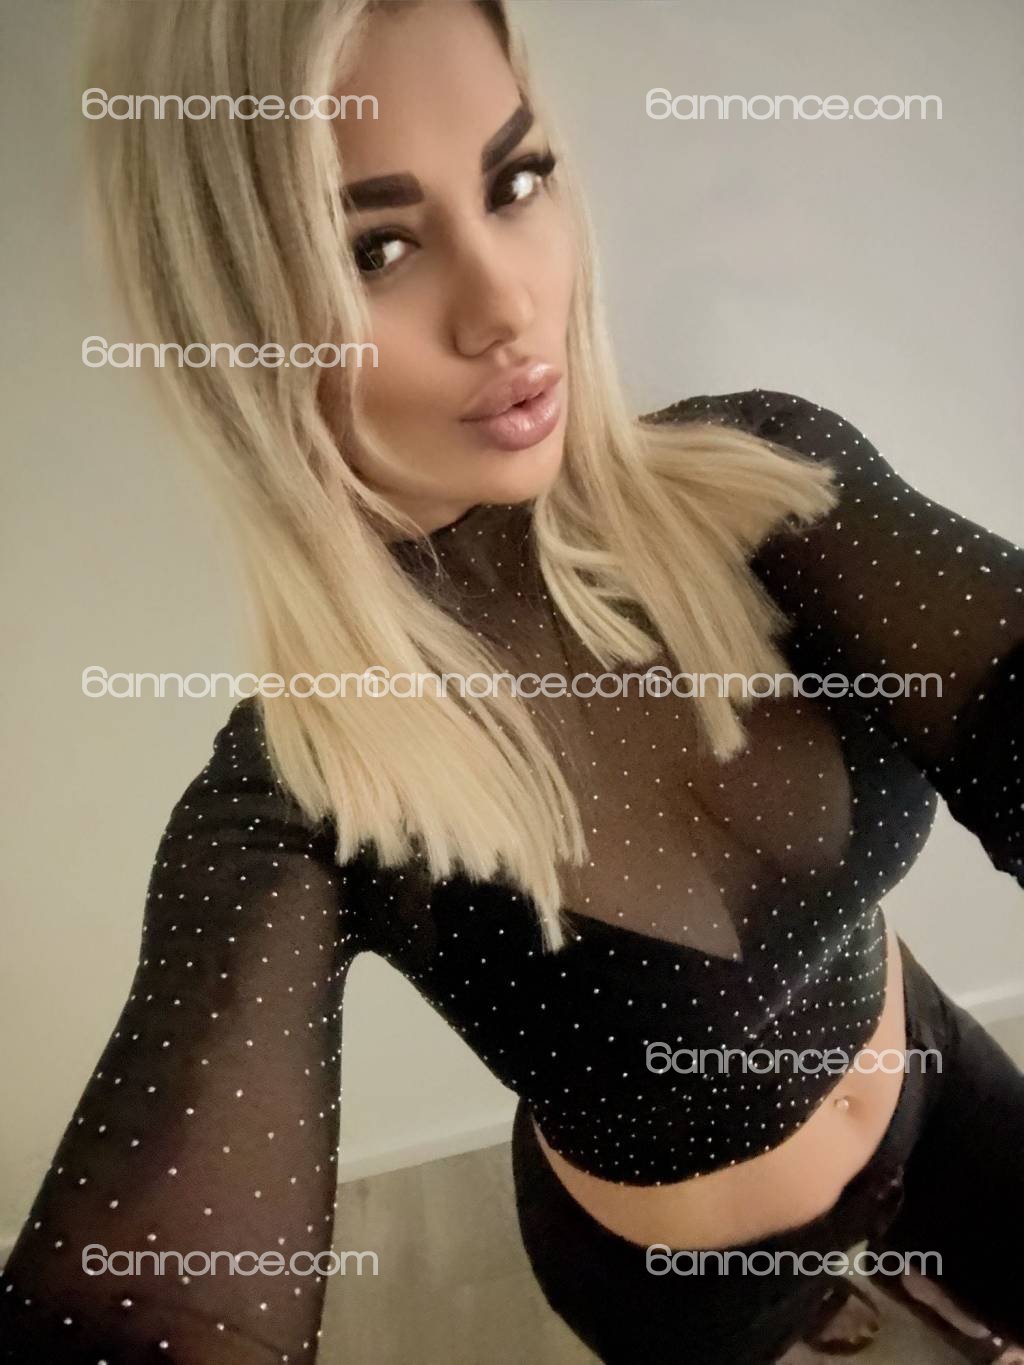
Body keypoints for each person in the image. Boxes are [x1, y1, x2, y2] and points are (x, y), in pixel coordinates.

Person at [2, 1, 1022, 1361]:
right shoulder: (302, 793)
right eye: (374, 248)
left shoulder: (771, 486)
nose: (506, 305)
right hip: (690, 1280)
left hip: (937, 1083)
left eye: (516, 180)